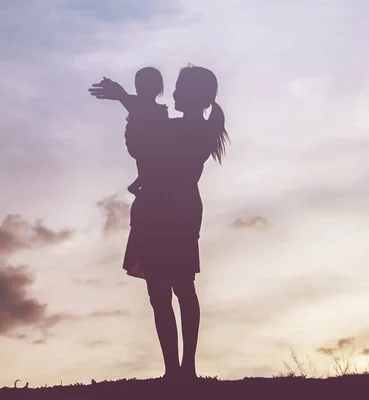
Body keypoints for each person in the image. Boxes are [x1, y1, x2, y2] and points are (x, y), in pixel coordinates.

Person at [89, 65, 229, 381]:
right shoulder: (189, 127)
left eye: (179, 88)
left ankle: (182, 370)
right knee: (170, 290)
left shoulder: (193, 129)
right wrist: (129, 101)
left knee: (173, 289)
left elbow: (145, 142)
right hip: (167, 208)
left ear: (194, 95)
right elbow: (146, 141)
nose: (174, 93)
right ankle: (178, 370)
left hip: (166, 209)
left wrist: (126, 98)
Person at [95, 67, 169, 195]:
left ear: (157, 88)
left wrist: (120, 94)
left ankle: (139, 182)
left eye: (146, 85)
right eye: (139, 85)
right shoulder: (140, 104)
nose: (141, 88)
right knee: (145, 161)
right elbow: (134, 104)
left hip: (146, 146)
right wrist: (120, 94)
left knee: (148, 160)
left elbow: (139, 107)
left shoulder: (158, 110)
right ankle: (140, 181)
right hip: (140, 144)